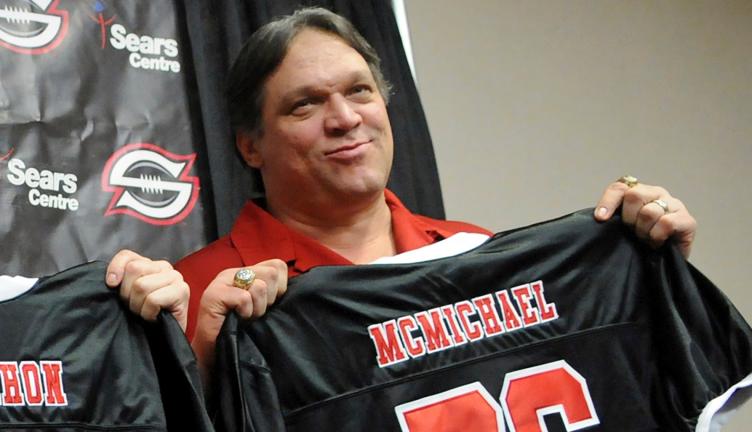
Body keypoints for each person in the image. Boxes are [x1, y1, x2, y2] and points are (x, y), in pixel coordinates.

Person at [105, 7, 696, 385]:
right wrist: (209, 360)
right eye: (304, 104)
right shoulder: (193, 297)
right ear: (250, 147)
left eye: (359, 91)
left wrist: (645, 266)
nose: (344, 119)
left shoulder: (476, 252)